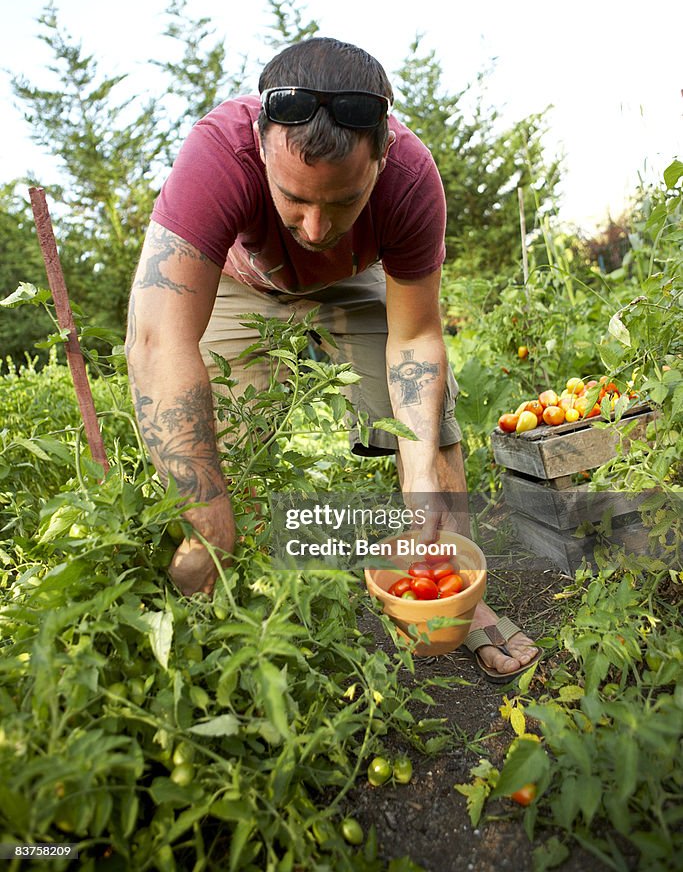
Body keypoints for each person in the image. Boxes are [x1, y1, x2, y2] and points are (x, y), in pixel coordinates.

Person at [125, 37, 540, 682]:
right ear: (260, 144)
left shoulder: (409, 178)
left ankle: (461, 595)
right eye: (294, 198)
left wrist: (422, 464)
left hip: (356, 278)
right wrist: (207, 520)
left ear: (379, 157)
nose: (315, 228)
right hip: (242, 284)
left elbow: (417, 339)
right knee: (217, 460)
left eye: (342, 201)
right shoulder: (217, 154)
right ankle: (224, 616)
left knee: (433, 437)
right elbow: (158, 341)